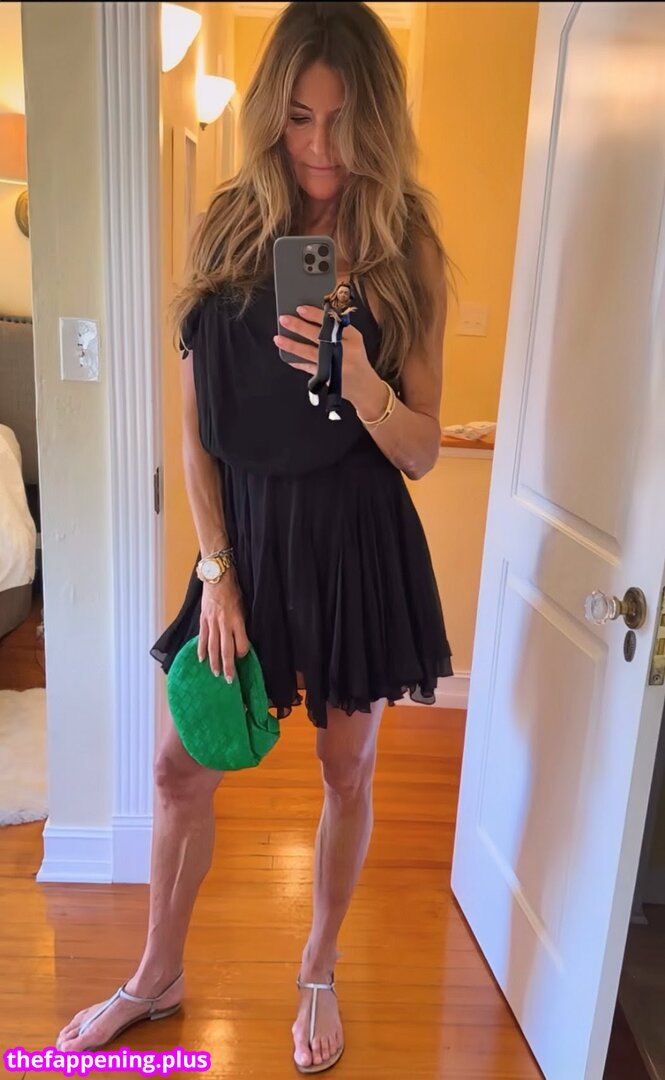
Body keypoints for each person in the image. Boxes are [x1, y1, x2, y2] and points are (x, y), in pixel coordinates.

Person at [55, 1, 454, 1072]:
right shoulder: (228, 226)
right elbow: (194, 433)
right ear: (271, 113)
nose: (320, 148)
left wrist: (362, 383)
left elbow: (421, 449)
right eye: (298, 118)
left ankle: (317, 964)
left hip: (356, 545)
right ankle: (157, 974)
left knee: (344, 769)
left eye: (343, 120)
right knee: (178, 769)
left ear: (378, 118)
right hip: (244, 546)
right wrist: (216, 573)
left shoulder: (405, 244)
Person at [307, 280, 357, 419]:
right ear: (336, 293)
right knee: (323, 374)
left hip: (337, 344)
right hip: (326, 342)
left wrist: (343, 314)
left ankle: (333, 409)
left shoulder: (346, 310)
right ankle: (313, 388)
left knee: (336, 377)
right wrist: (342, 313)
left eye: (346, 293)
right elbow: (331, 314)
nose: (343, 295)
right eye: (341, 292)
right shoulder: (329, 305)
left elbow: (345, 322)